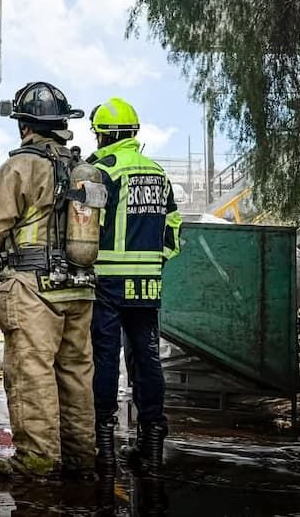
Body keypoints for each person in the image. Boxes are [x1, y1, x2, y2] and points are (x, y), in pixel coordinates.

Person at [0, 82, 99, 479]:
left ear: (24, 125)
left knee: (30, 370)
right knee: (75, 371)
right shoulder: (80, 167)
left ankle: (36, 460)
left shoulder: (21, 165)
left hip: (32, 286)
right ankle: (79, 456)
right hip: (80, 283)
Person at [88, 98, 181, 474]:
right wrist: (154, 261)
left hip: (107, 280)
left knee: (105, 358)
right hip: (147, 282)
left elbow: (86, 229)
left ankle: (105, 442)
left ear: (101, 135)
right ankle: (152, 438)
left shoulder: (100, 171)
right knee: (146, 358)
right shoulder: (158, 172)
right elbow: (173, 230)